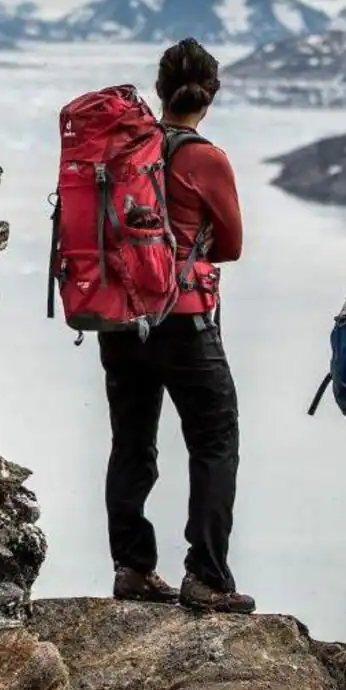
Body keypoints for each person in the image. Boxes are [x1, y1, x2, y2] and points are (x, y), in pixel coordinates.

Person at [102, 38, 254, 614]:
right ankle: (207, 576)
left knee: (132, 441)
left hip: (120, 320)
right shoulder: (204, 159)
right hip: (184, 321)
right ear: (209, 97)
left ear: (161, 89)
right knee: (215, 441)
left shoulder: (124, 151)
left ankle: (133, 568)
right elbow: (232, 245)